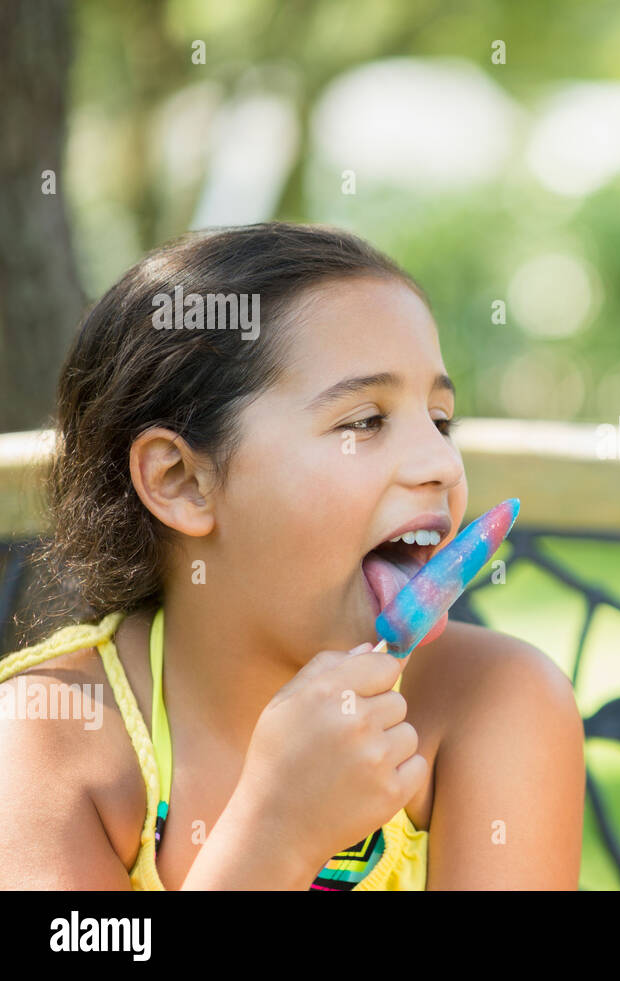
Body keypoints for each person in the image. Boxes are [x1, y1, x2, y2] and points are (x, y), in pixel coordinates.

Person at [0, 222, 585, 890]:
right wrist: (274, 838)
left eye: (440, 420)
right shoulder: (45, 741)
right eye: (363, 420)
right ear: (180, 481)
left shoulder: (493, 702)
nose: (440, 463)